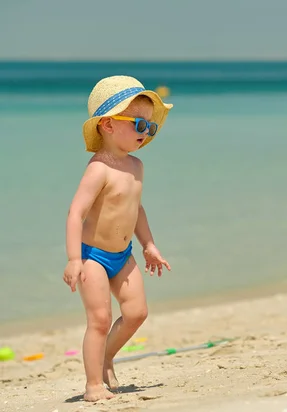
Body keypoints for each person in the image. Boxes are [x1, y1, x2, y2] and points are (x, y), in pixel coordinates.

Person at [63, 75, 173, 402]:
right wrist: (73, 259)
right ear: (108, 126)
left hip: (123, 254)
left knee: (137, 313)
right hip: (93, 255)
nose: (145, 133)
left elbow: (135, 209)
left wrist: (148, 245)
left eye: (150, 128)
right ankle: (93, 385)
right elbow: (75, 213)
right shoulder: (98, 169)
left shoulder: (136, 166)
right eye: (140, 124)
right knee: (100, 319)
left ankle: (107, 355)